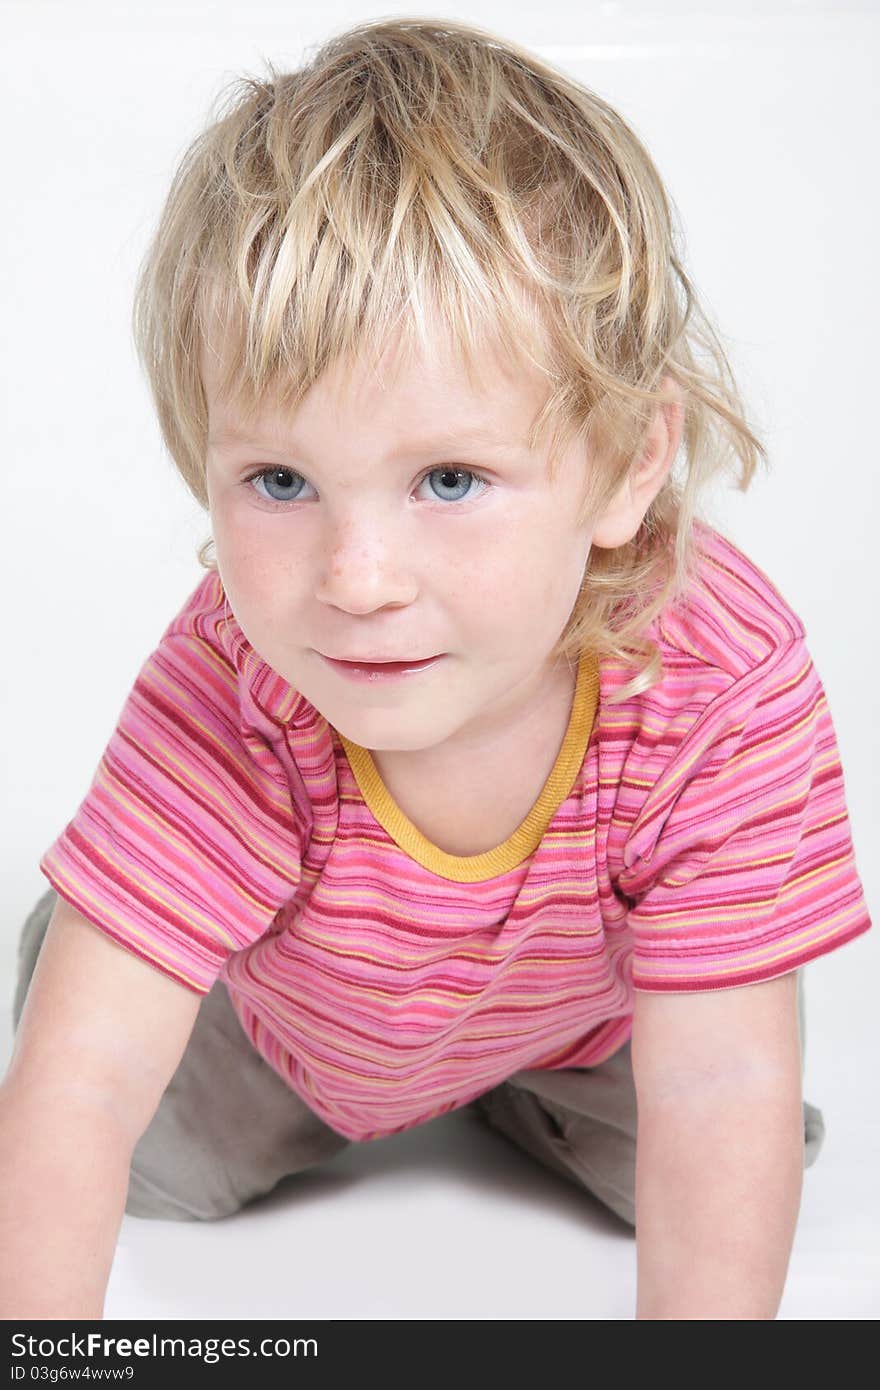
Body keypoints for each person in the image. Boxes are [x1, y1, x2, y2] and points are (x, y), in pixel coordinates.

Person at [1, 15, 871, 1321]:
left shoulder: (715, 684)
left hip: (586, 1032)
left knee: (724, 1159)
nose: (356, 578)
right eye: (281, 480)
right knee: (125, 1145)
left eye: (449, 479)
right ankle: (95, 931)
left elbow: (716, 1084)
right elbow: (86, 1079)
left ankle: (504, 1091)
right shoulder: (235, 684)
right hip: (284, 1027)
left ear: (630, 463)